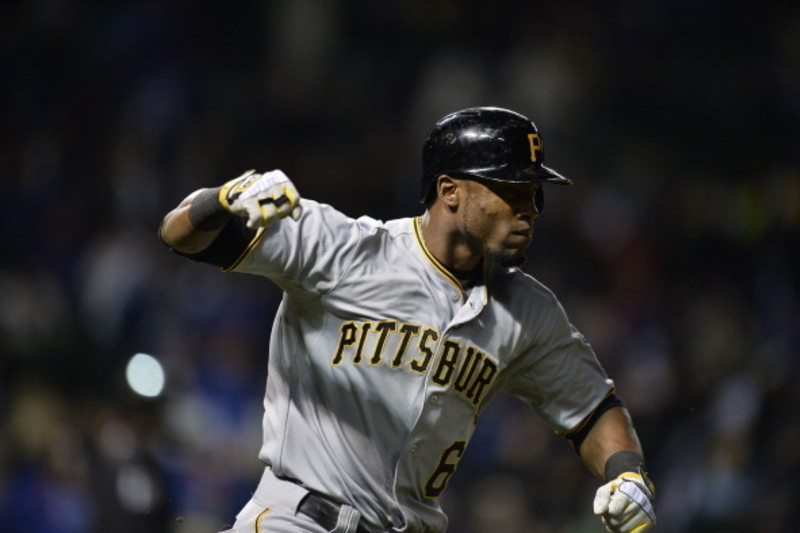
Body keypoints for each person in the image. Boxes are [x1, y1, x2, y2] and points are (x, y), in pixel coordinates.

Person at [159, 106, 656, 533]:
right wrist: (222, 199)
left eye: (534, 194)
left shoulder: (529, 311)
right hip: (301, 519)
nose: (530, 210)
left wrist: (627, 474)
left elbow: (592, 408)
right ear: (450, 191)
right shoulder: (344, 249)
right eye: (513, 191)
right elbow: (180, 235)